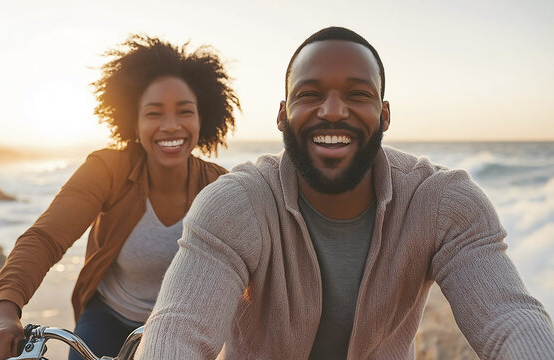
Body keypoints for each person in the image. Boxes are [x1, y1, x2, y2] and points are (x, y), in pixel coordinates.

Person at [135, 27, 554, 359]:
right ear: (283, 115)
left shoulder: (443, 203)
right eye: (310, 94)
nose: (333, 110)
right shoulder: (235, 203)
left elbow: (508, 317)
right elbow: (180, 326)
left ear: (384, 114)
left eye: (357, 94)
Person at [0, 35, 240, 360]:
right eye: (153, 114)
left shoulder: (220, 186)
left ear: (202, 118)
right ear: (133, 121)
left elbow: (254, 270)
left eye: (185, 112)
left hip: (183, 328)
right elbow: (46, 238)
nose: (171, 125)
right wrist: (4, 306)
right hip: (107, 316)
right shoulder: (108, 169)